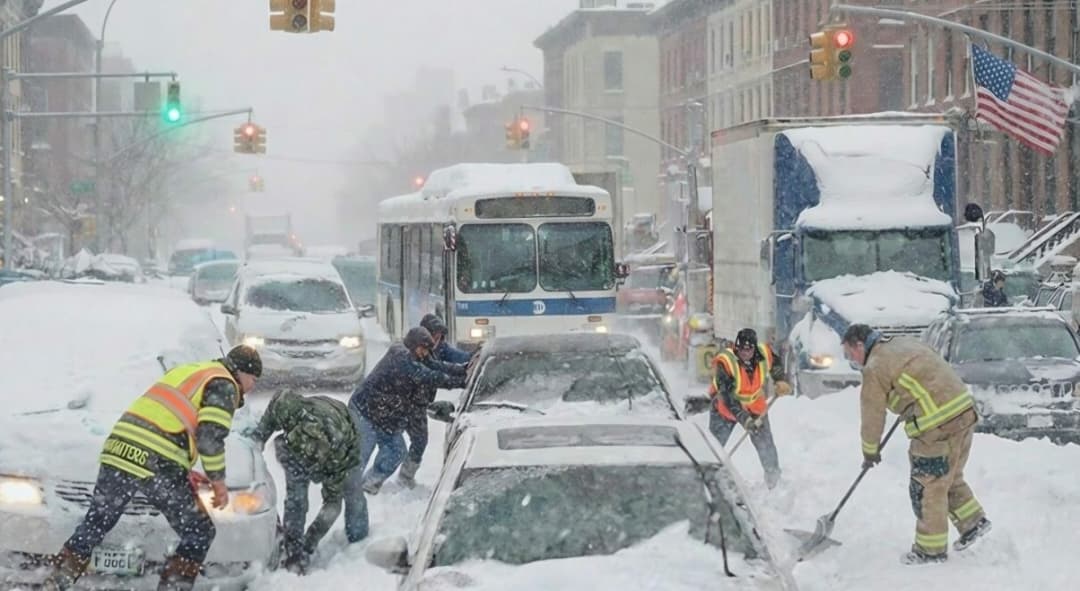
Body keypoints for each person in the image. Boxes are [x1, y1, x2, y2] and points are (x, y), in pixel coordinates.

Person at [44, 346, 262, 591]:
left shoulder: (191, 370)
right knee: (199, 531)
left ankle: (55, 583)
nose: (252, 387)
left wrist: (181, 466)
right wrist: (218, 482)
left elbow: (168, 418)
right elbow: (209, 438)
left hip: (119, 448)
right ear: (242, 372)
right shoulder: (224, 383)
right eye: (253, 380)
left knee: (96, 523)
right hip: (155, 460)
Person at [841, 323, 992, 565]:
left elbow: (872, 414)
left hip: (938, 426)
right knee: (948, 475)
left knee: (928, 485)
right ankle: (973, 522)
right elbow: (925, 377)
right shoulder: (904, 343)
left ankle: (930, 551)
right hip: (964, 412)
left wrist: (870, 451)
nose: (852, 359)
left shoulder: (875, 367)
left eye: (850, 353)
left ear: (860, 344)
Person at [343, 327, 467, 541]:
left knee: (396, 451)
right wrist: (460, 381)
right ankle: (349, 494)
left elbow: (433, 364)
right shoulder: (400, 358)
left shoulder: (413, 355)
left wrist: (462, 369)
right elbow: (428, 375)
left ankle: (369, 485)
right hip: (364, 411)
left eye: (427, 350)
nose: (425, 353)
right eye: (422, 349)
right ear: (413, 345)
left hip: (385, 414)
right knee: (360, 455)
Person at [244, 390, 360, 575]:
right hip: (303, 444)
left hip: (343, 432)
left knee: (352, 495)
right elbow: (278, 399)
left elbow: (332, 506)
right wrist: (260, 437)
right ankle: (293, 550)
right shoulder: (290, 410)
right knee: (296, 500)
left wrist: (310, 542)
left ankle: (356, 540)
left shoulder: (338, 461)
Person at [708, 328, 792, 489]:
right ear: (736, 347)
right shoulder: (725, 363)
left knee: (766, 446)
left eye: (748, 350)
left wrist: (780, 379)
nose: (745, 353)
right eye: (741, 349)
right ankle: (707, 479)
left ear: (754, 349)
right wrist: (744, 418)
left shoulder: (764, 353)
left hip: (755, 406)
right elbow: (728, 398)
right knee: (713, 449)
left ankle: (774, 482)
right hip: (724, 410)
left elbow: (775, 363)